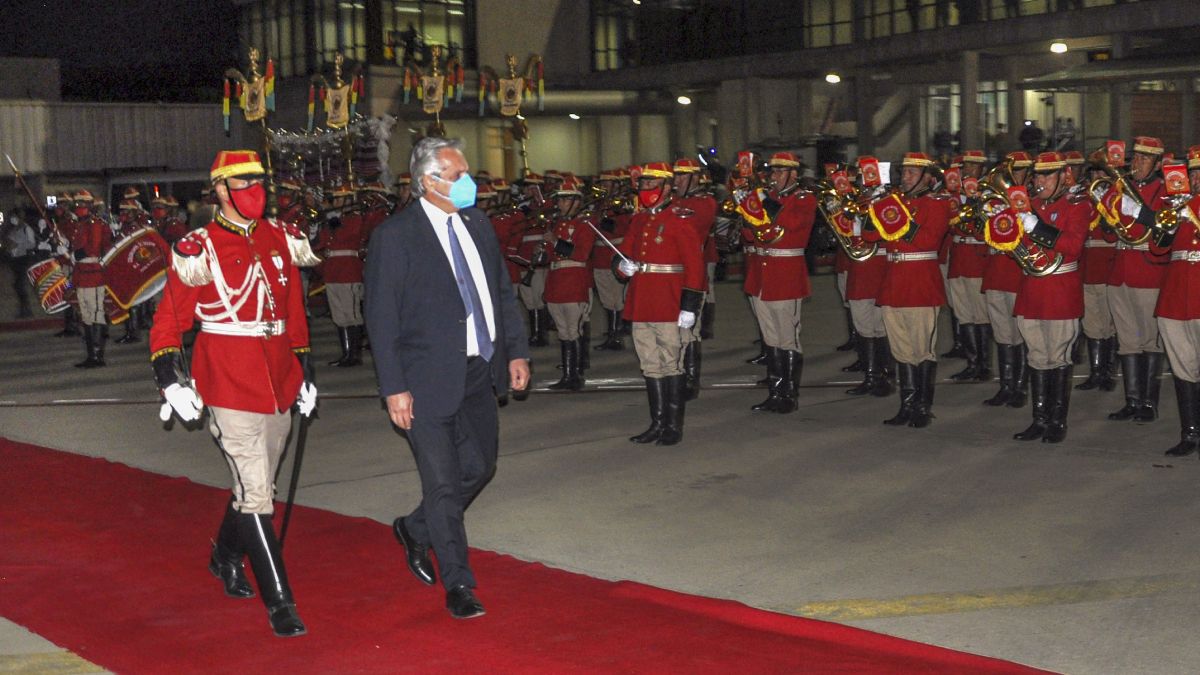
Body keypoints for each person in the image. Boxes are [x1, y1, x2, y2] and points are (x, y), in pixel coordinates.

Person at [150, 149, 320, 638]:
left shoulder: (281, 236)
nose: (256, 191)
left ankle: (224, 554)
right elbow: (170, 322)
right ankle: (280, 601)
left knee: (255, 486)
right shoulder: (196, 248)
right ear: (220, 189)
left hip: (279, 378)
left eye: (260, 181)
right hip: (226, 378)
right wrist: (170, 377)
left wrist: (305, 372)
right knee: (256, 491)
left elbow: (294, 314)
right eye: (243, 183)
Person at [364, 136, 531, 619]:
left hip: (479, 370)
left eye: (466, 173)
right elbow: (382, 317)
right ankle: (459, 583)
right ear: (427, 182)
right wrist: (393, 386)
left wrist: (515, 352)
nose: (468, 183)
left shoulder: (477, 224)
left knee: (480, 468)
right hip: (424, 379)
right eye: (457, 176)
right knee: (441, 484)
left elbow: (501, 293)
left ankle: (415, 529)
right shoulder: (395, 237)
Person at [615, 162, 706, 445]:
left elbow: (695, 266)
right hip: (641, 302)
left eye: (650, 185)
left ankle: (672, 426)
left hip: (669, 302)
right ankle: (656, 423)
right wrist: (622, 267)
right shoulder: (640, 220)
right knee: (650, 365)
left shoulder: (681, 219)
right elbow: (624, 254)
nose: (645, 190)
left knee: (671, 364)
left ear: (667, 187)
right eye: (642, 185)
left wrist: (689, 305)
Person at [866, 152, 954, 428]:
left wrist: (893, 214)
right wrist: (876, 209)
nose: (904, 178)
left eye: (911, 173)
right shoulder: (895, 203)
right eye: (903, 172)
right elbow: (869, 236)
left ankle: (922, 407)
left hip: (920, 282)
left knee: (921, 349)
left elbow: (927, 240)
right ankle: (906, 405)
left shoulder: (938, 204)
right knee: (901, 350)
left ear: (927, 177)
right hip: (893, 282)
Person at [1009, 152, 1089, 443]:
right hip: (1031, 290)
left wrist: (1037, 227)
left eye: (1047, 176)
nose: (1040, 181)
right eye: (1038, 176)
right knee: (1037, 357)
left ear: (1062, 177)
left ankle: (1057, 421)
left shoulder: (1077, 206)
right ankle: (1038, 419)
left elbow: (1073, 246)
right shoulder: (1029, 205)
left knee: (1058, 356)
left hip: (1060, 290)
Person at [1100, 136, 1169, 422]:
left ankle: (1149, 404)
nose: (1137, 163)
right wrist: (1107, 211)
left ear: (1157, 163)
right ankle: (1132, 400)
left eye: (1144, 158)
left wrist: (1141, 213)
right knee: (1127, 341)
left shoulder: (1163, 191)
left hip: (1148, 270)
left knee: (1149, 340)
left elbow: (1166, 229)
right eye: (1136, 157)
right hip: (1121, 272)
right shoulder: (1119, 188)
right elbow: (1106, 233)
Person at [744, 152, 814, 413]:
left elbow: (793, 222)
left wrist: (763, 203)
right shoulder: (768, 198)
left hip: (786, 276)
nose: (773, 176)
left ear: (793, 174)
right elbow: (750, 234)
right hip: (760, 276)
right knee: (771, 338)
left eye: (779, 171)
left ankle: (789, 395)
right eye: (772, 171)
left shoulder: (804, 199)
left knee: (787, 338)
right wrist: (746, 210)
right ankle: (775, 392)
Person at [1155, 148, 1200, 456]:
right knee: (1183, 368)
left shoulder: (1190, 208)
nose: (1196, 179)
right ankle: (1190, 434)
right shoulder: (1173, 204)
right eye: (1193, 174)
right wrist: (1166, 227)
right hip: (1174, 297)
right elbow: (1156, 251)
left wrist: (1191, 214)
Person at [542, 175, 596, 390]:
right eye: (560, 200)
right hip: (556, 282)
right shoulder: (556, 224)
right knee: (563, 331)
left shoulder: (585, 224)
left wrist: (555, 242)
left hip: (574, 282)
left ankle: (574, 375)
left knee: (573, 330)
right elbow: (550, 256)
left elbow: (582, 254)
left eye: (566, 200)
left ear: (576, 201)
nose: (561, 204)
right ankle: (567, 374)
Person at [69, 190, 112, 368]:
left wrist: (75, 254)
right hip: (82, 273)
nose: (79, 208)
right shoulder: (80, 225)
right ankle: (90, 355)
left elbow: (93, 247)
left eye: (83, 204)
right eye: (77, 204)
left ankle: (97, 356)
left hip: (93, 274)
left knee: (95, 313)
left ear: (90, 206)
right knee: (86, 315)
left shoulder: (94, 224)